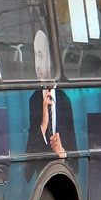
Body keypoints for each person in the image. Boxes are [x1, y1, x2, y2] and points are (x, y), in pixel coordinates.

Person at [26, 30, 76, 162]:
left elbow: (75, 155)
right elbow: (28, 156)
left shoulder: (65, 100)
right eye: (35, 55)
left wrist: (63, 153)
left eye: (41, 56)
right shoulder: (33, 100)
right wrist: (43, 125)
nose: (37, 64)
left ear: (50, 60)